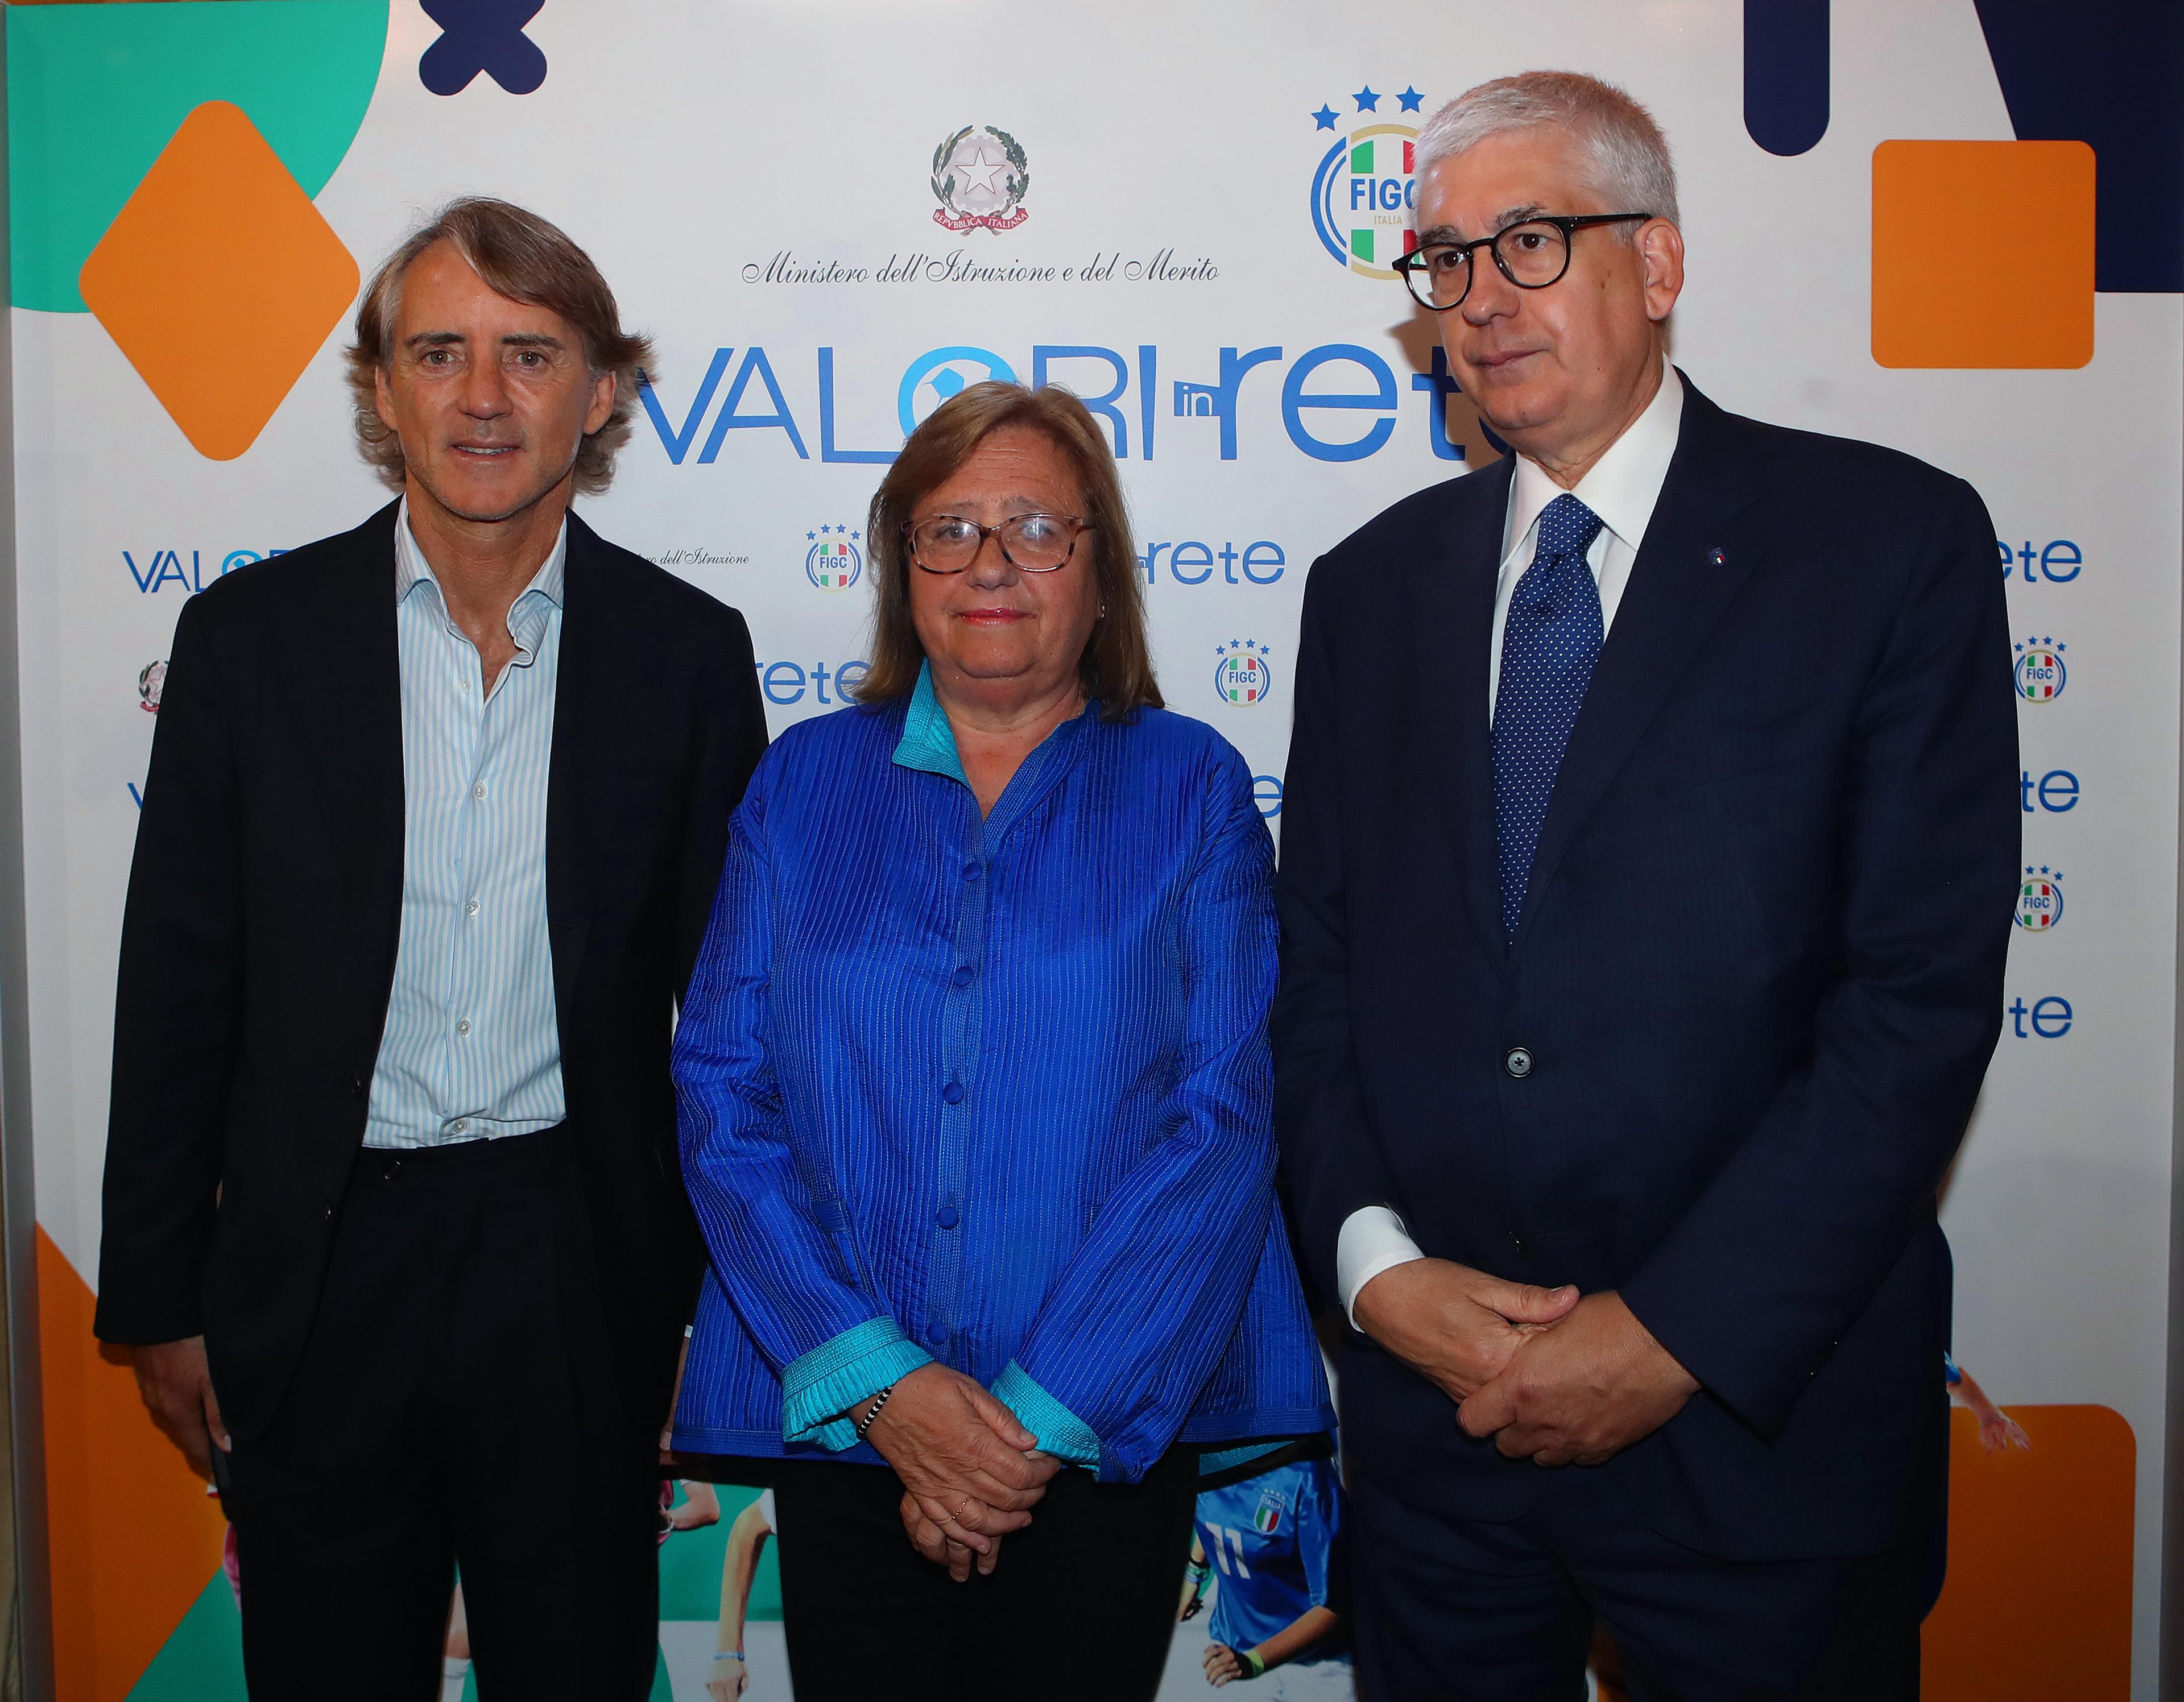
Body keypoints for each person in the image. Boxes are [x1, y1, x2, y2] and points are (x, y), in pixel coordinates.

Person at [1273, 72, 2018, 1700]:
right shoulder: (1370, 589)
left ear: (1660, 264)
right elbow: (1317, 972)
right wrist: (1378, 1269)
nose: (1478, 301)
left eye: (1529, 242)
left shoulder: (1886, 545)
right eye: (1444, 262)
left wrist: (1671, 1334)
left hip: (1764, 1432)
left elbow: (1918, 1001)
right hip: (1440, 1447)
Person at [95, 197, 768, 1699]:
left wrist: (709, 1306)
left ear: (601, 394)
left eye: (530, 354)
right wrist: (156, 1294)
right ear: (381, 385)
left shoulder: (684, 657)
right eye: (441, 351)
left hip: (575, 1271)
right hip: (316, 1272)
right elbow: (176, 988)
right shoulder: (248, 644)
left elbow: (732, 1021)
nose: (482, 397)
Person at [669, 380, 1333, 1702]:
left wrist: (1020, 1428)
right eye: (949, 528)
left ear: (1099, 573)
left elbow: (1220, 1116)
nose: (989, 563)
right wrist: (890, 1394)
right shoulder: (801, 784)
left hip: (1096, 1431)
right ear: (900, 565)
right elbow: (723, 1093)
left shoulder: (1191, 783)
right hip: (853, 1427)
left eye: (1037, 528)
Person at [1182, 1452, 1351, 1697]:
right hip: (1233, 1659)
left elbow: (1334, 1606)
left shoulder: (1307, 1477)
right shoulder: (1209, 1453)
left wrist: (1254, 1662)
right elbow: (1220, 1510)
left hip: (1321, 1671)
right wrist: (1194, 1572)